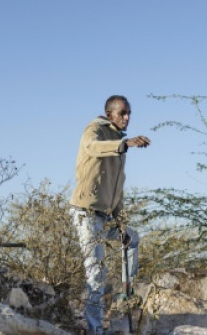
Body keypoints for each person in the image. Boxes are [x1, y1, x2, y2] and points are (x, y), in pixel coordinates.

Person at [70, 95, 151, 335]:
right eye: (122, 113)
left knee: (133, 238)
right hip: (86, 213)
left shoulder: (119, 142)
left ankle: (126, 289)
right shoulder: (95, 129)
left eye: (129, 114)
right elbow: (92, 148)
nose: (127, 118)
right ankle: (96, 331)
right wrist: (125, 144)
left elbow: (117, 190)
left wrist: (122, 224)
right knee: (96, 274)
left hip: (105, 216)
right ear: (109, 115)